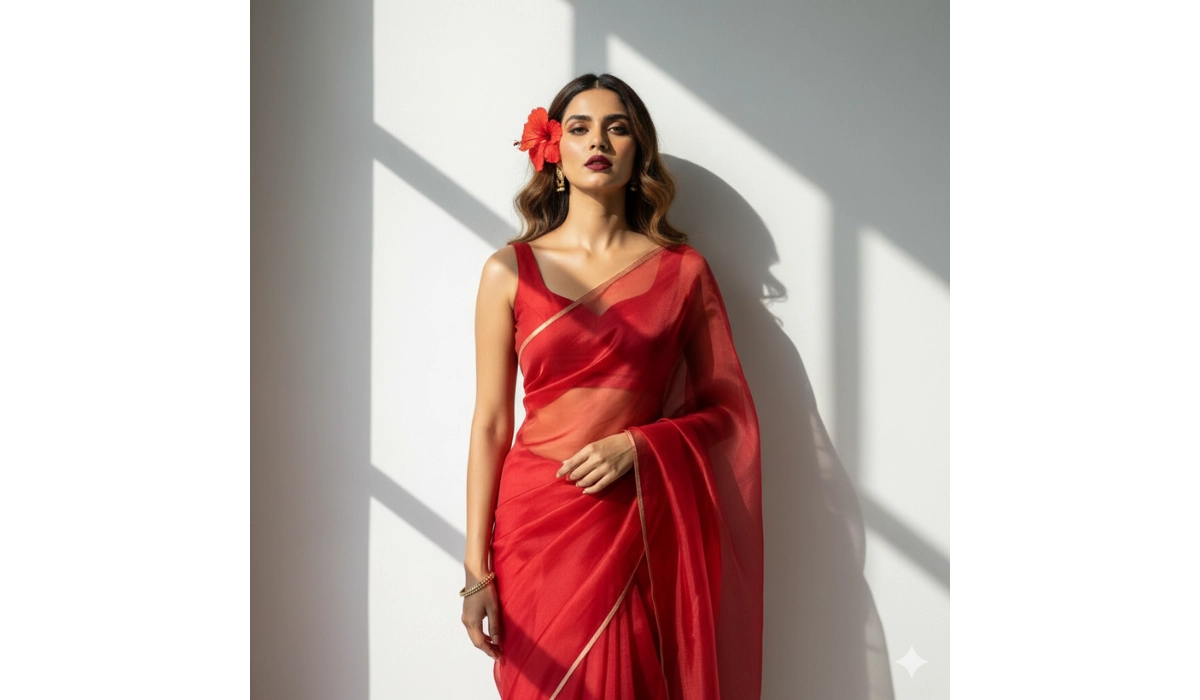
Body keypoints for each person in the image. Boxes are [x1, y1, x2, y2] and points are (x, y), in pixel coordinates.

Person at [461, 73, 764, 699]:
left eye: (617, 127)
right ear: (556, 155)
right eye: (579, 128)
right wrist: (474, 570)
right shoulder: (507, 271)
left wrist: (641, 446)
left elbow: (726, 410)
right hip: (534, 527)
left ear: (638, 153)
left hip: (633, 521)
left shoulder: (682, 272)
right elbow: (491, 422)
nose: (598, 140)